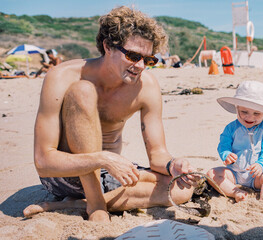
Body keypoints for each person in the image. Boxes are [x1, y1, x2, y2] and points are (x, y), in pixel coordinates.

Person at [23, 6, 199, 223]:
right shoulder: (63, 76)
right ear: (108, 46)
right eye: (134, 56)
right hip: (65, 174)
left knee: (181, 189)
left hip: (108, 173)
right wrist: (103, 158)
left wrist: (173, 165)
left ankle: (76, 203)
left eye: (149, 60)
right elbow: (43, 161)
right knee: (83, 91)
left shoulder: (147, 87)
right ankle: (96, 206)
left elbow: (157, 154)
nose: (141, 66)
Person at [206, 81, 263, 203]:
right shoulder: (231, 128)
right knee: (212, 174)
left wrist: (261, 164)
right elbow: (223, 145)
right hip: (234, 173)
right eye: (244, 112)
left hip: (256, 174)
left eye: (256, 113)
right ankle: (234, 191)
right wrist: (226, 154)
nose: (250, 117)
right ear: (237, 108)